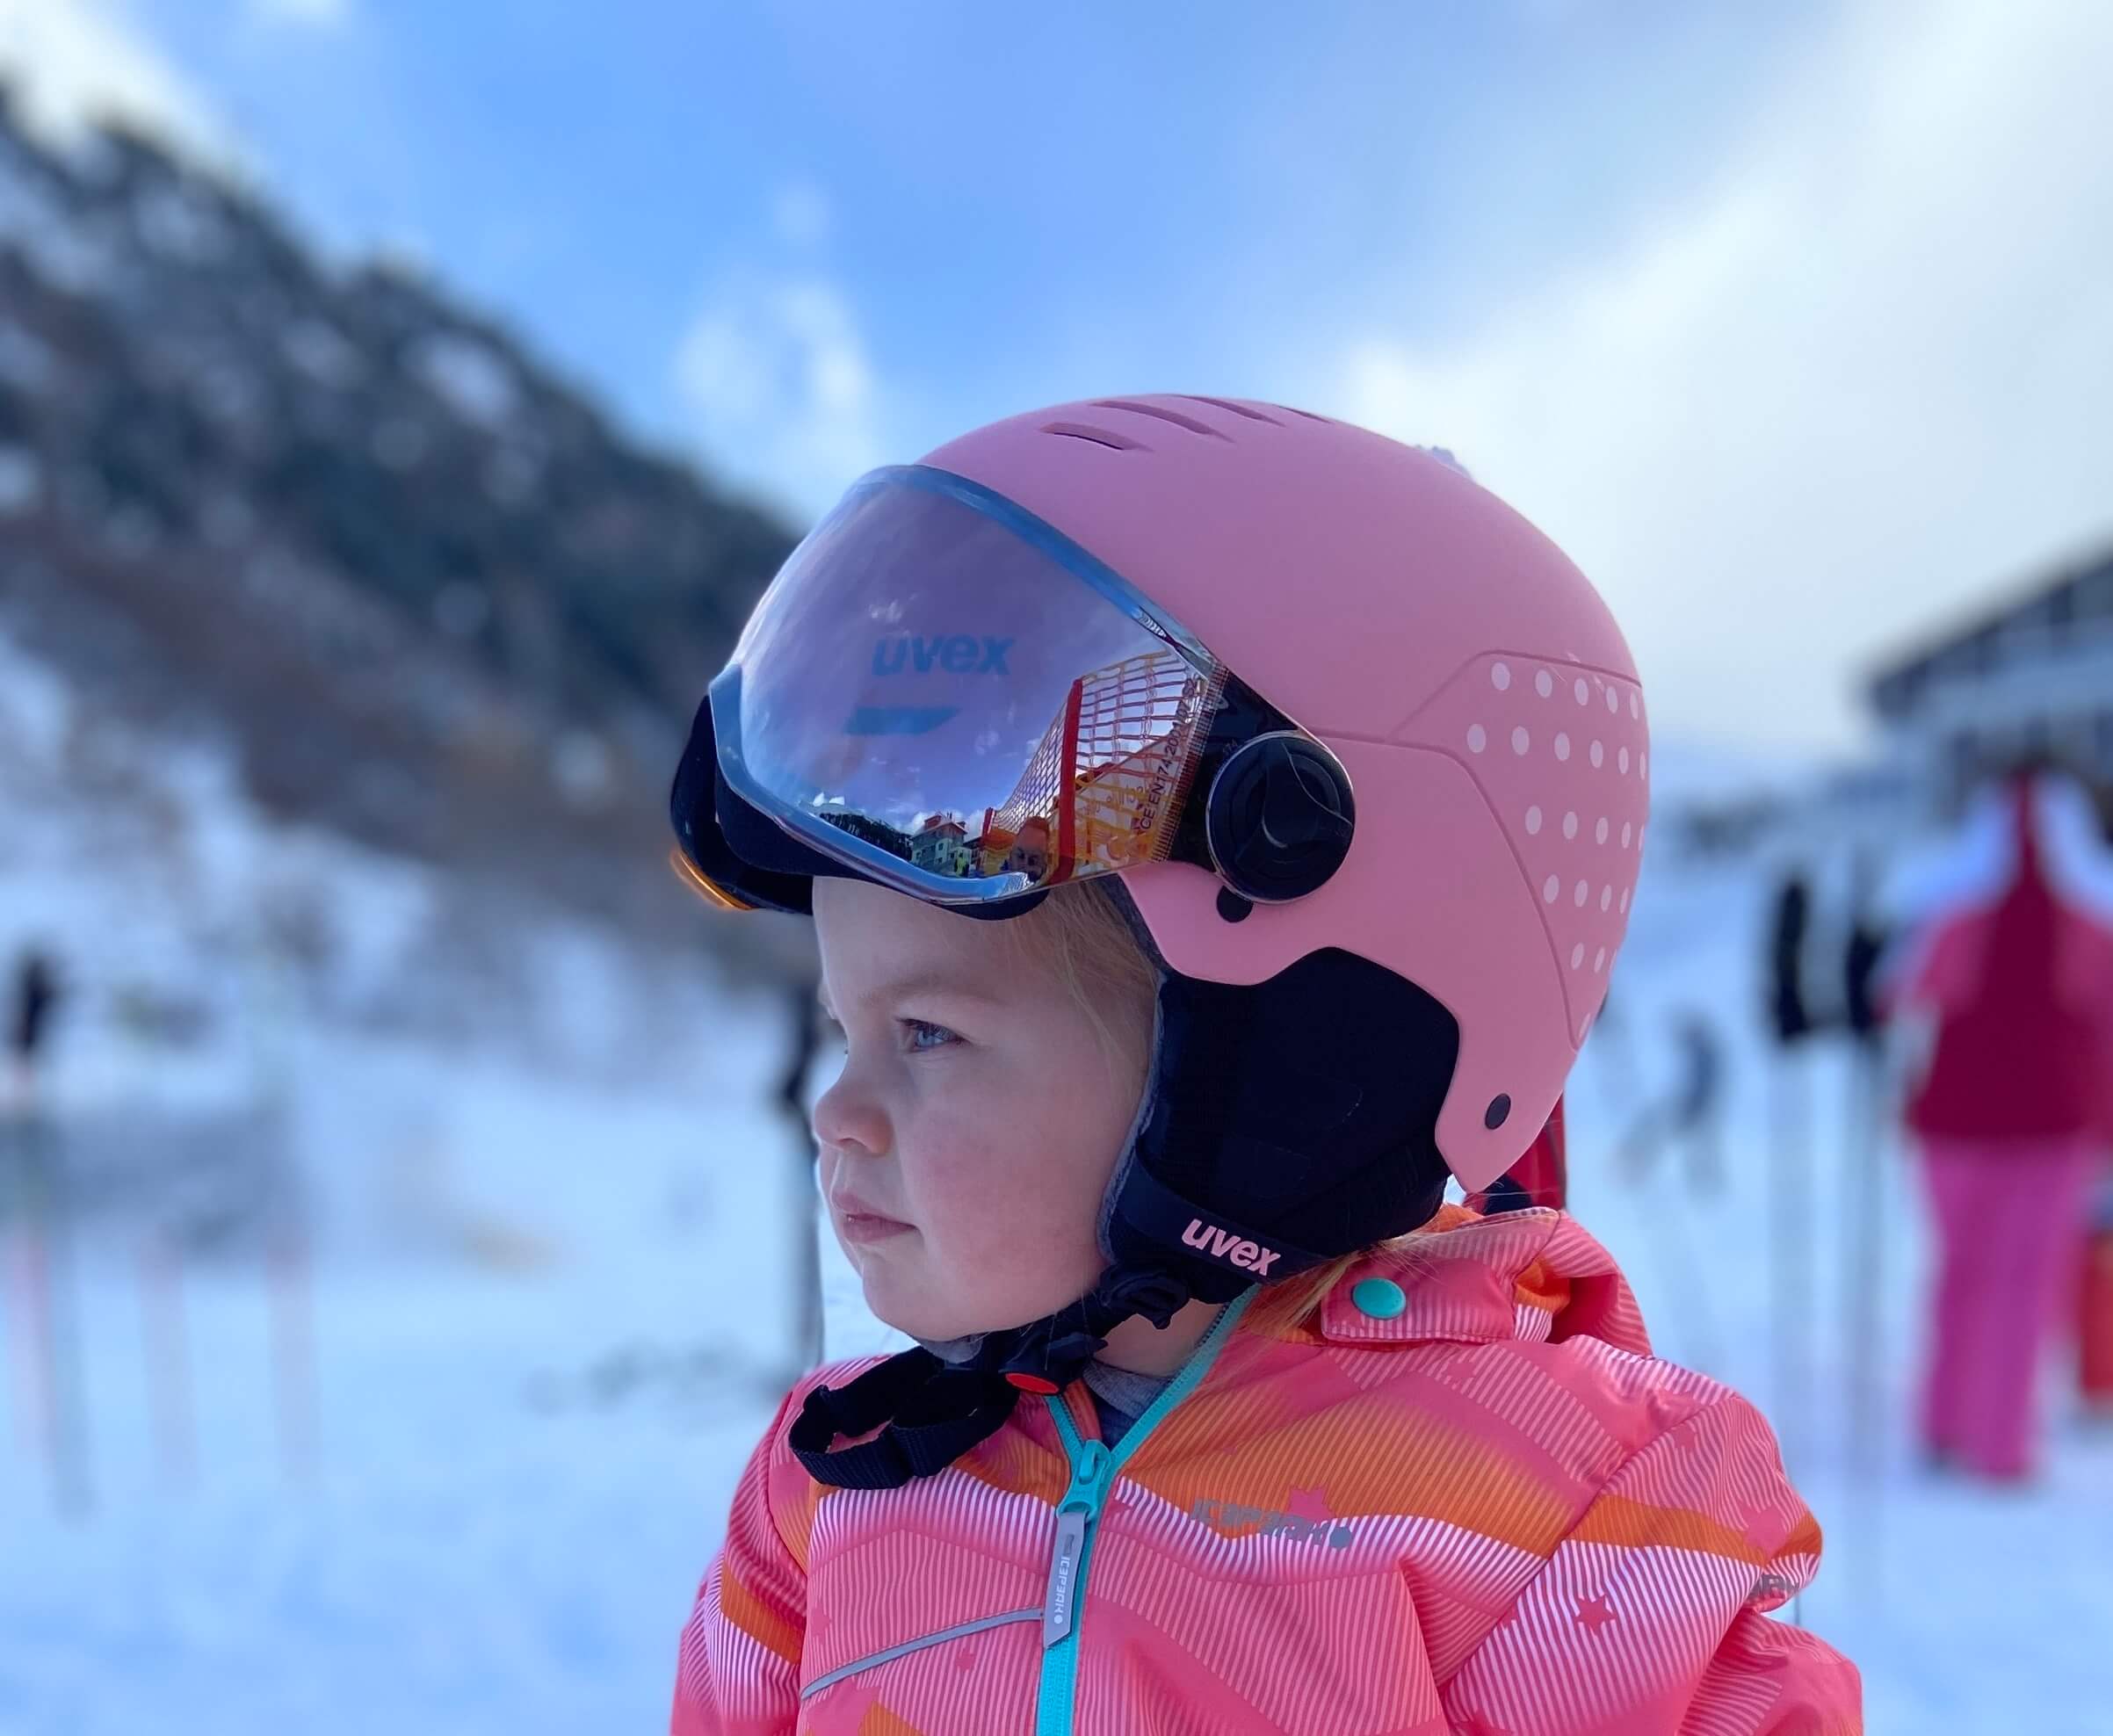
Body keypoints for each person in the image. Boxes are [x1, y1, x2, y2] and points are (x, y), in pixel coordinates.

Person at [664, 397, 1859, 1733]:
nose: (836, 1115)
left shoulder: (1570, 1527)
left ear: (1285, 1057)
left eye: (930, 1036)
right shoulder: (837, 1484)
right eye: (847, 1033)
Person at [1882, 765, 2113, 1480]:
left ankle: (1943, 1425)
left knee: (1959, 1277)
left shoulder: (1955, 916)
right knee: (2022, 1285)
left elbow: (1895, 998)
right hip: (2049, 1128)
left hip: (1950, 1126)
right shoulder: (2090, 923)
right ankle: (2000, 1444)